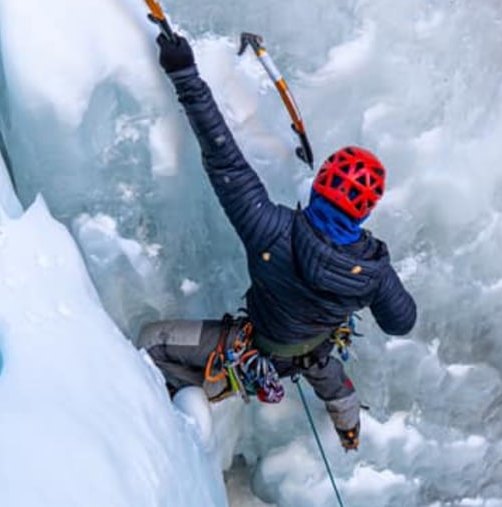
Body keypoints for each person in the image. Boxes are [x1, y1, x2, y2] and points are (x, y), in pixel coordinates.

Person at [137, 33, 417, 451]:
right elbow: (401, 322)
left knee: (151, 341)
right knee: (329, 376)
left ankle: (192, 399)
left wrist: (185, 73)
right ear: (365, 211)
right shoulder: (372, 270)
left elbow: (224, 157)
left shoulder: (270, 228)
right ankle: (349, 430)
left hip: (257, 344)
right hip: (313, 350)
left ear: (320, 184)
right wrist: (375, 270)